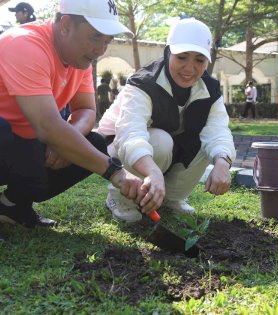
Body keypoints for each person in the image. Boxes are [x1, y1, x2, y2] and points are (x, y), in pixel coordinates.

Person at [0, 0, 143, 247]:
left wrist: (68, 138)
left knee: (93, 142)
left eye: (107, 40)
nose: (101, 48)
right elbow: (47, 127)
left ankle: (10, 206)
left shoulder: (79, 59)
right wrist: (115, 172)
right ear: (66, 24)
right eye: (95, 37)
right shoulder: (25, 43)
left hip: (13, 144)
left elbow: (86, 110)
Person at [97, 18, 236, 223]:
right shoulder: (143, 83)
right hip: (116, 146)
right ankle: (119, 198)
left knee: (211, 147)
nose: (189, 68)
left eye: (199, 60)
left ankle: (170, 199)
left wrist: (223, 163)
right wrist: (153, 172)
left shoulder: (210, 89)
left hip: (168, 147)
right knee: (161, 141)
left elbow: (217, 131)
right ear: (168, 51)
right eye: (182, 57)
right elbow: (130, 134)